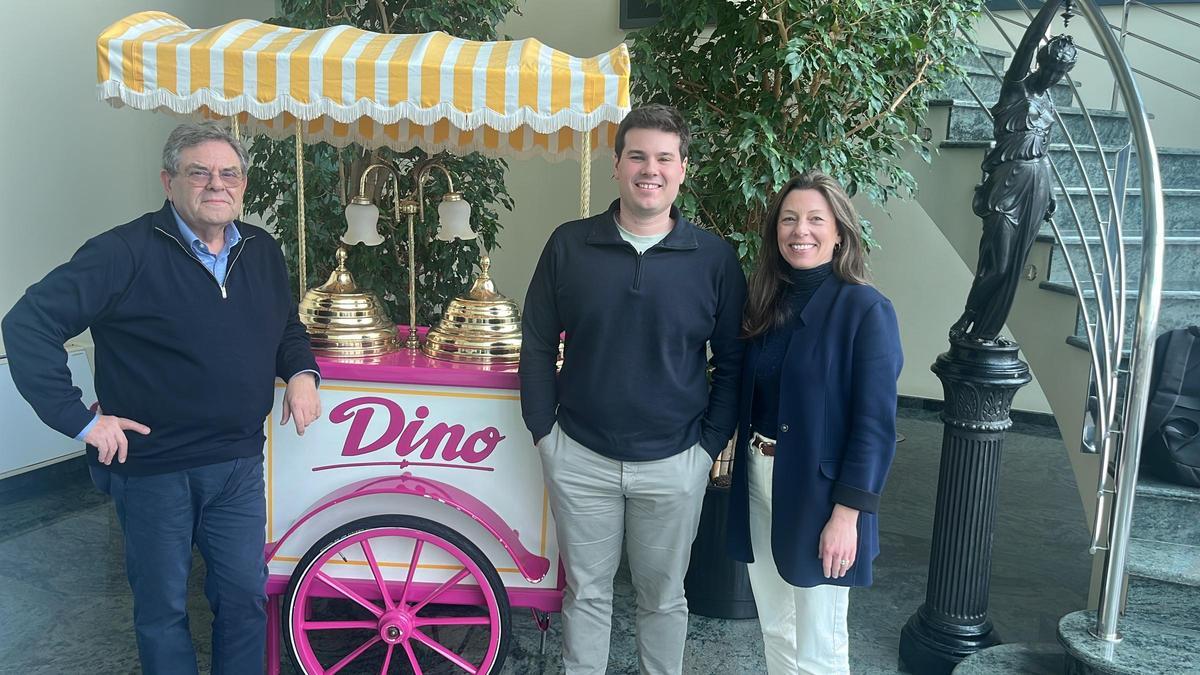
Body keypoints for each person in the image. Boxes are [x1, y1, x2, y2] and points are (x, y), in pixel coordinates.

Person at [2, 122, 321, 675]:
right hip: (153, 468)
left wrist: (301, 372)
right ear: (168, 181)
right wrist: (80, 421)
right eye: (199, 172)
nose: (215, 184)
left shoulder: (262, 251)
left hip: (238, 464)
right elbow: (28, 324)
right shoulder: (123, 252)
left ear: (243, 184)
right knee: (163, 610)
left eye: (229, 173)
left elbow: (285, 326)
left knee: (245, 599)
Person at [519, 104, 746, 674]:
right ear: (617, 164)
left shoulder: (714, 259)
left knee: (664, 598)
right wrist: (545, 432)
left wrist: (707, 446)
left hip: (675, 462)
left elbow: (735, 361)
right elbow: (539, 341)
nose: (651, 169)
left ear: (682, 169)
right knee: (587, 596)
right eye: (638, 156)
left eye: (665, 158)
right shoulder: (570, 245)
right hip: (581, 456)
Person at [726, 171, 903, 674]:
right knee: (776, 626)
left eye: (814, 219)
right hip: (760, 481)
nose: (800, 230)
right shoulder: (766, 303)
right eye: (788, 219)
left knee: (819, 641)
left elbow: (874, 427)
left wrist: (847, 516)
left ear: (840, 233)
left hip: (822, 495)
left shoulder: (866, 310)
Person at [950, 0, 1077, 342]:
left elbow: (1044, 150)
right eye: (1050, 67)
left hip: (1036, 182)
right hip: (1006, 183)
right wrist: (1053, 5)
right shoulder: (1016, 85)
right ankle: (969, 317)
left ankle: (986, 333)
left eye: (1059, 73)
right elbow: (1032, 36)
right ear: (1040, 61)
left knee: (1016, 267)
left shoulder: (1049, 103)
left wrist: (1049, 192)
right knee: (998, 263)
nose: (1052, 77)